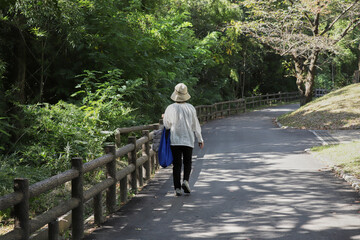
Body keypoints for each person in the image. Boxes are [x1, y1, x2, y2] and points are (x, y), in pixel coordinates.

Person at [163, 83, 204, 196]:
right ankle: (186, 180)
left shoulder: (170, 108)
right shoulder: (190, 108)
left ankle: (177, 188)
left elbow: (166, 125)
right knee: (187, 162)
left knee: (177, 164)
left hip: (175, 140)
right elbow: (196, 125)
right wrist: (200, 139)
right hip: (188, 140)